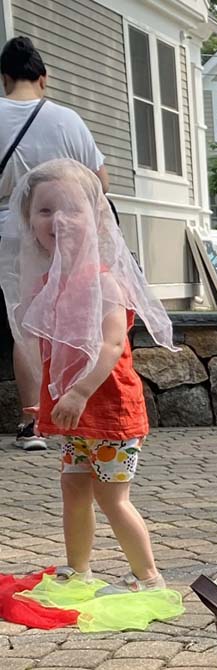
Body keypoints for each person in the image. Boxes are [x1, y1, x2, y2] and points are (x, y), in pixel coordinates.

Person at [0, 159, 172, 593]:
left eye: (71, 208)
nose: (58, 219)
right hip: (76, 417)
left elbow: (111, 347)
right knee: (73, 489)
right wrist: (51, 396)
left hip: (110, 412)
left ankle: (149, 577)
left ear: (95, 216)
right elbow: (50, 349)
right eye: (44, 210)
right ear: (29, 221)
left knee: (112, 498)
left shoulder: (105, 282)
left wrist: (77, 393)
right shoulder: (48, 287)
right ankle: (79, 570)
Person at [0, 36, 109, 452]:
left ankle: (34, 420)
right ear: (43, 78)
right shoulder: (68, 120)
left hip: (11, 234)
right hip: (68, 235)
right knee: (74, 313)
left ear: (6, 78)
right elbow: (101, 184)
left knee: (26, 321)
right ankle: (79, 408)